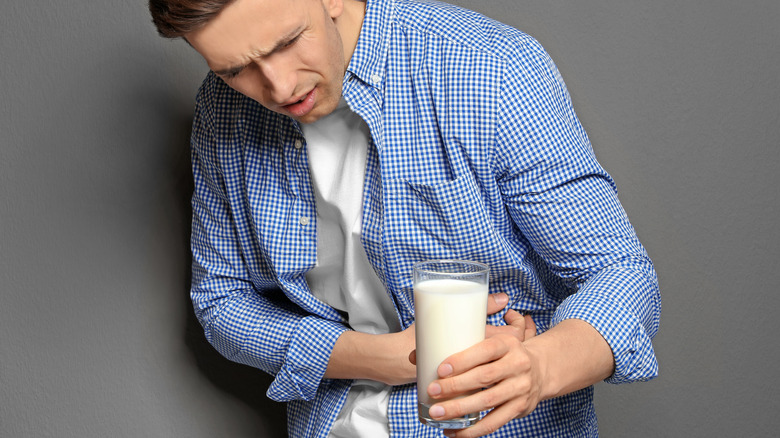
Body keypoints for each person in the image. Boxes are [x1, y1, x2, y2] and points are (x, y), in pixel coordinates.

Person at [148, 0, 661, 436]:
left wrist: (539, 368)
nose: (278, 87)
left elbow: (621, 273)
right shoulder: (222, 111)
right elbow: (221, 301)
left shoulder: (488, 70)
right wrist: (375, 356)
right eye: (236, 69)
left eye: (286, 42)